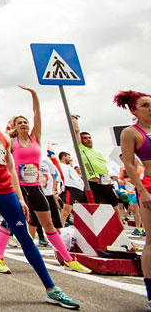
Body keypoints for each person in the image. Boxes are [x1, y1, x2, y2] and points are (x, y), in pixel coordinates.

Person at [0, 95, 79, 308]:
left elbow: (10, 168)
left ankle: (51, 289)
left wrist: (20, 198)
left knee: (26, 239)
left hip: (6, 192)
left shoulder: (3, 137)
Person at [0, 87, 91, 274]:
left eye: (25, 122)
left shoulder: (35, 137)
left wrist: (33, 94)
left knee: (48, 224)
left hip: (36, 187)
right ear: (13, 126)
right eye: (19, 122)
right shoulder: (12, 142)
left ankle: (68, 259)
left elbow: (38, 113)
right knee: (9, 222)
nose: (23, 124)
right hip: (18, 188)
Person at [115, 90, 151, 311]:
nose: (150, 108)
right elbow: (129, 164)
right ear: (134, 110)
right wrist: (142, 191)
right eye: (145, 105)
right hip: (148, 186)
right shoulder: (131, 132)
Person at [74, 115, 122, 212]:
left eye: (89, 137)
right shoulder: (81, 149)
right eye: (85, 138)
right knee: (93, 211)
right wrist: (74, 120)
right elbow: (76, 132)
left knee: (115, 209)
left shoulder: (98, 153)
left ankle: (120, 226)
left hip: (105, 183)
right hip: (92, 184)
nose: (88, 139)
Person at [58, 151, 86, 222]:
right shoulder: (60, 165)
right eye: (68, 157)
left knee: (84, 209)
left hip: (79, 189)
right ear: (64, 157)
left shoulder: (70, 167)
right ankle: (61, 229)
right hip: (70, 188)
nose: (70, 158)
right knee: (66, 210)